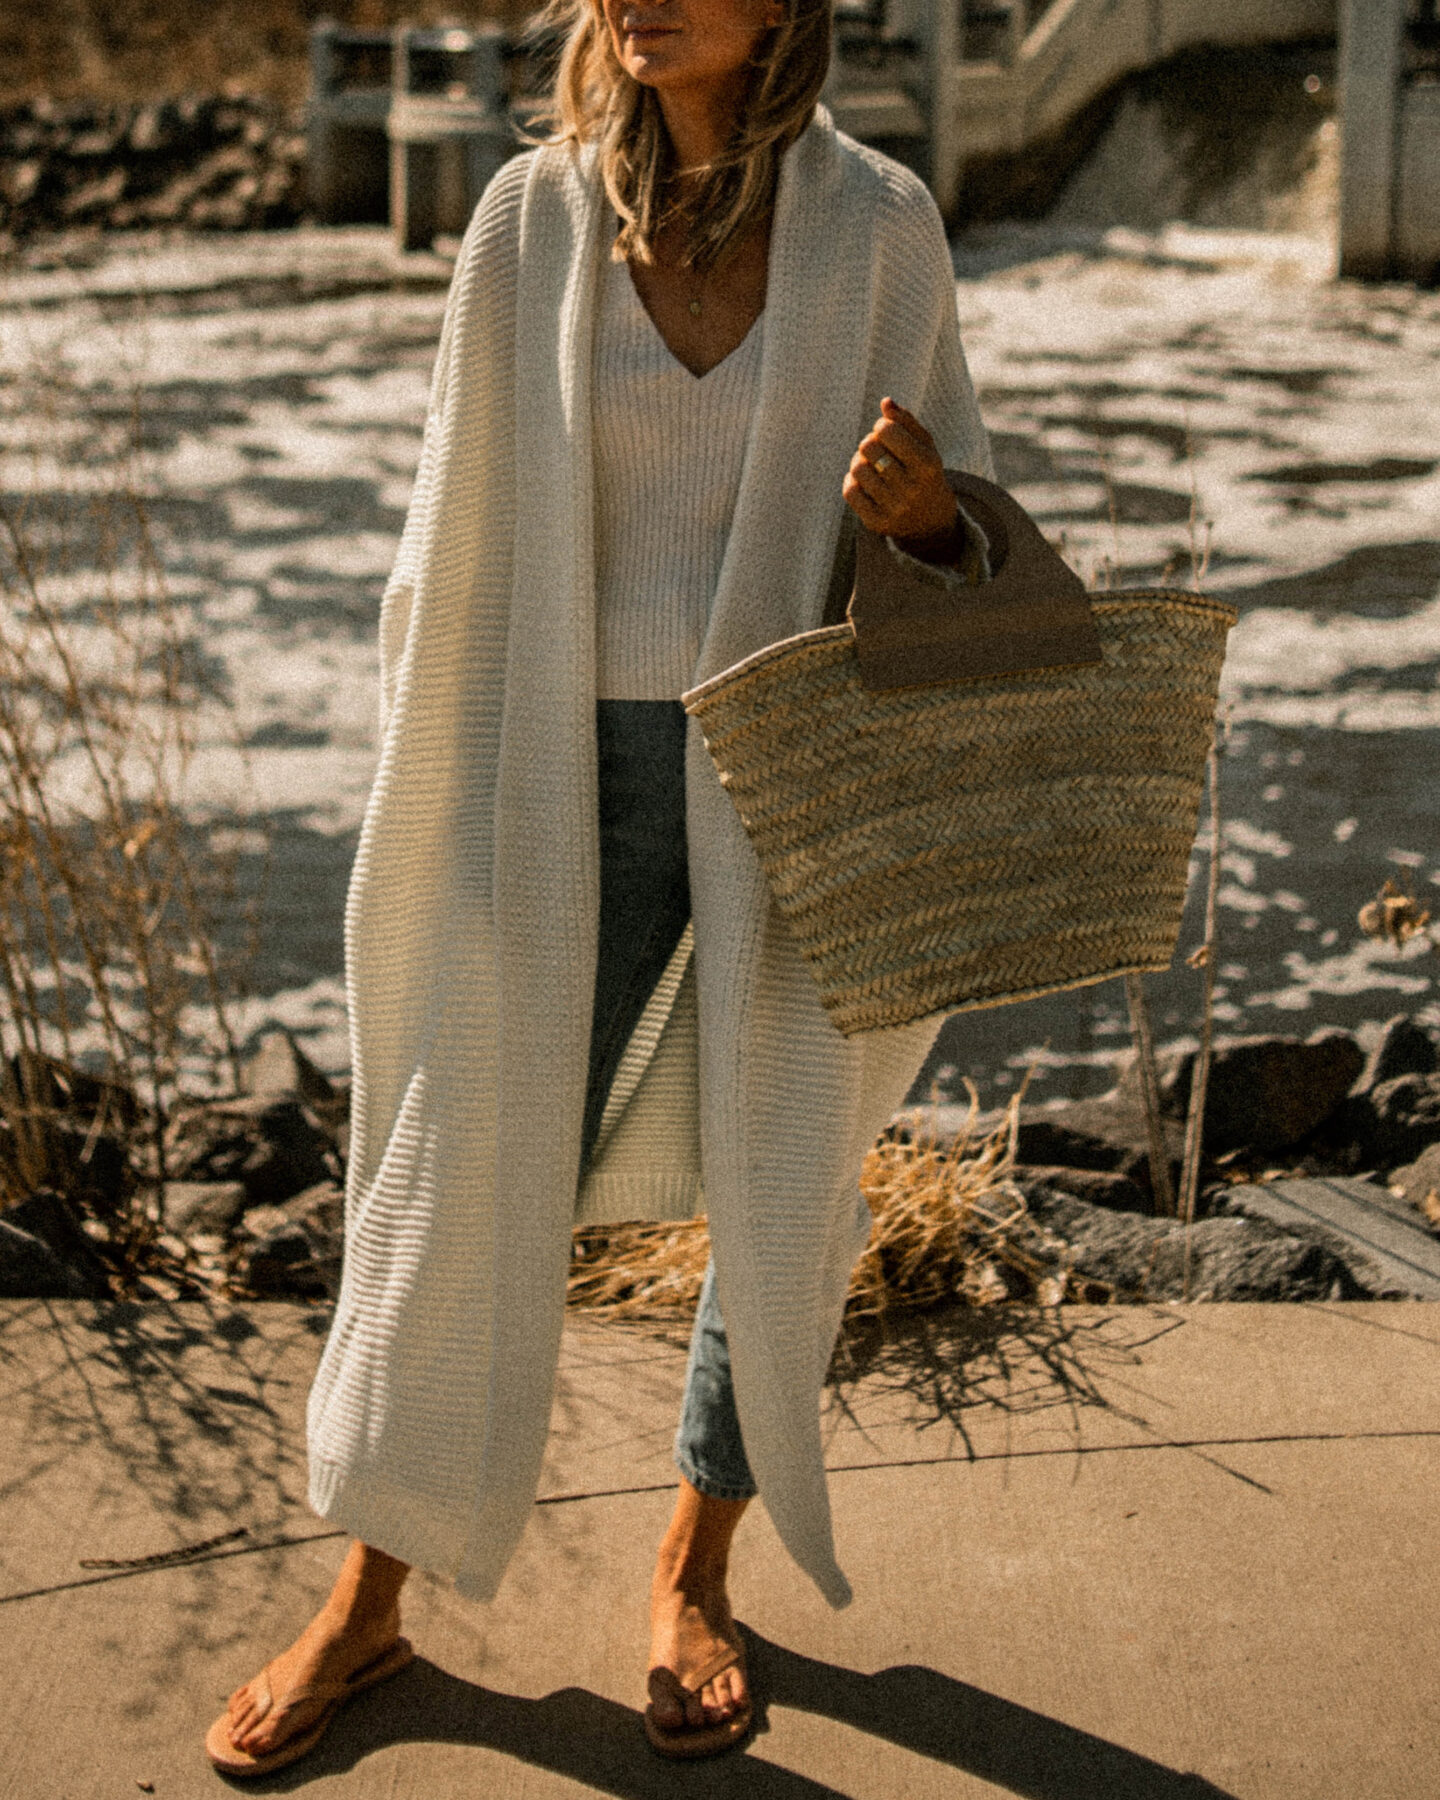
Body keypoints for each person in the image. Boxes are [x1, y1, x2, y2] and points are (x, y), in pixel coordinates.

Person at [207, 0, 991, 1773]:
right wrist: (443, 784)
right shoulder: (530, 220)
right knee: (463, 1156)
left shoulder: (877, 224)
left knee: (784, 1156)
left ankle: (693, 1567)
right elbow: (450, 526)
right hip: (556, 771)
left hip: (796, 764)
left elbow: (959, 522)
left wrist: (930, 510)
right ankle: (372, 1600)